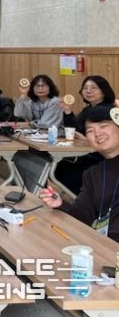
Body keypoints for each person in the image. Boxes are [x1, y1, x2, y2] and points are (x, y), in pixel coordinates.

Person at [39, 105, 119, 242]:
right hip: (105, 243)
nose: (97, 133)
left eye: (103, 126)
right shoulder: (93, 174)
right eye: (90, 130)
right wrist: (61, 204)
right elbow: (83, 215)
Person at [55, 75, 116, 194]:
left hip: (102, 157)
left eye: (93, 87)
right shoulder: (88, 110)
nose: (88, 91)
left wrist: (87, 140)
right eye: (85, 88)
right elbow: (73, 130)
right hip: (86, 153)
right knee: (58, 167)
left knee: (67, 172)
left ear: (104, 91)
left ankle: (84, 199)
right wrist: (67, 111)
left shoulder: (108, 111)